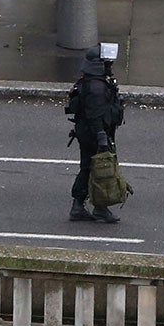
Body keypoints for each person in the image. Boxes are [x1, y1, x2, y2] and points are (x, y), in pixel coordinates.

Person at [67, 43, 127, 224]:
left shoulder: (93, 81)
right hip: (94, 134)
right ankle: (100, 207)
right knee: (101, 168)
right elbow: (94, 115)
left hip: (89, 132)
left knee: (88, 167)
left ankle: (79, 206)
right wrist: (102, 137)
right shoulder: (96, 87)